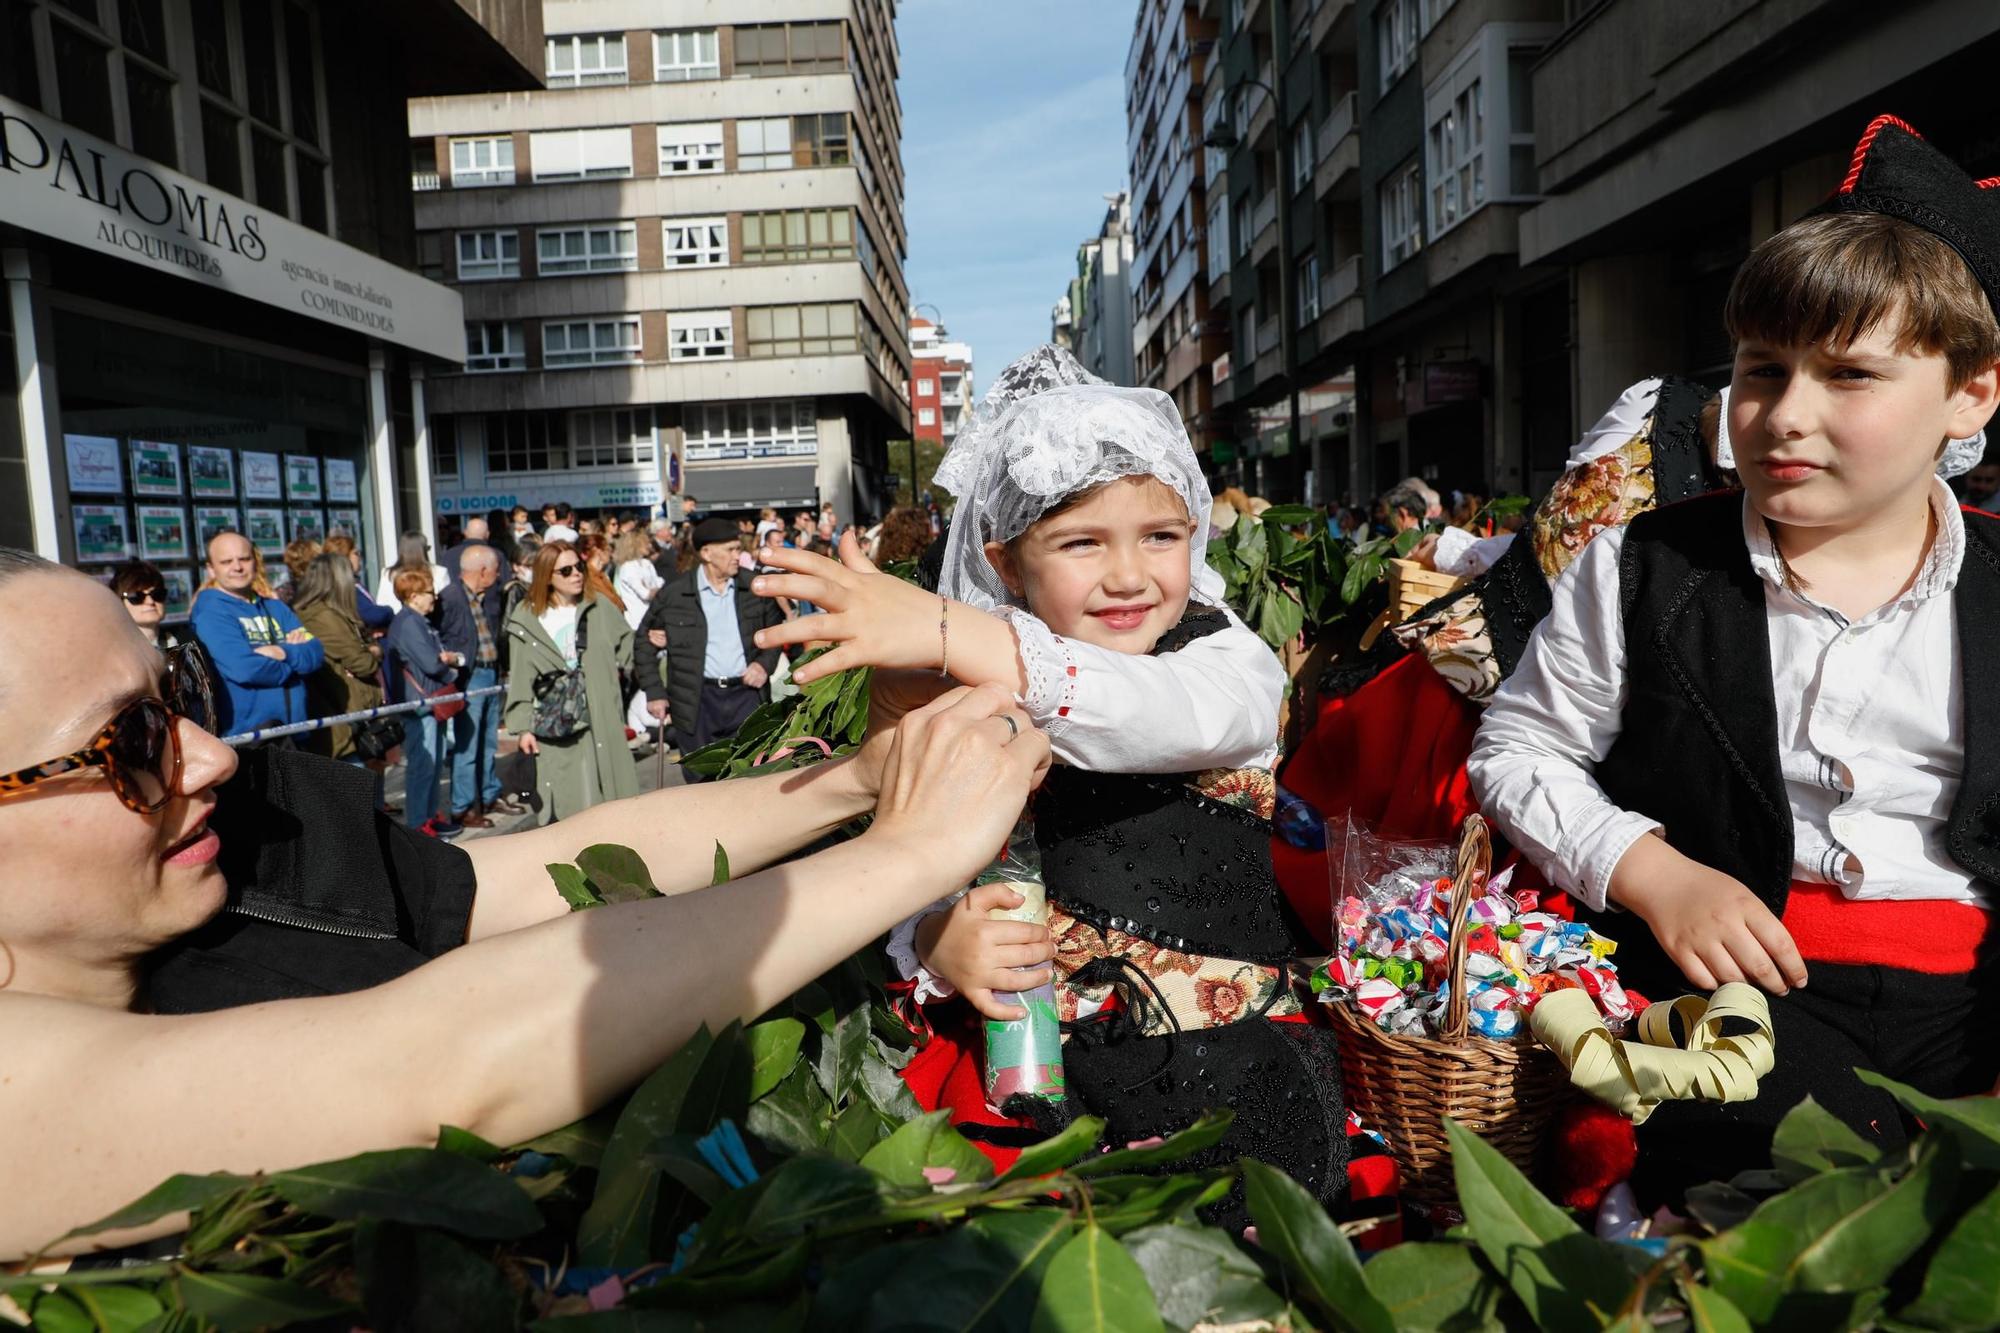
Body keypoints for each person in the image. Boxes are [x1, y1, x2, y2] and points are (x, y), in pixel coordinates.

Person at [0, 547, 1047, 1259]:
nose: (214, 755)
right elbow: (441, 1060)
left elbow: (537, 870)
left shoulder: (247, 837)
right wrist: (907, 856)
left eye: (176, 693)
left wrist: (863, 781)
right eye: (130, 743)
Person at [1468, 117, 2000, 1196]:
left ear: (1969, 395)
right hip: (1735, 1003)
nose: (1782, 416)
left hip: (1975, 996)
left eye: (1848, 375)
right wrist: (1651, 872)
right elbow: (1518, 747)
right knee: (1780, 1192)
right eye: (1761, 370)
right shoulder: (1642, 568)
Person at [752, 347, 1338, 1223]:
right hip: (1036, 1064)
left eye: (1161, 536)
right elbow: (912, 849)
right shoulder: (972, 682)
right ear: (1007, 563)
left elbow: (1158, 715)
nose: (1130, 574)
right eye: (1081, 543)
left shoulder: (1225, 657)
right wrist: (937, 936)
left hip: (1232, 1060)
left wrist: (953, 633)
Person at [634, 517, 784, 772]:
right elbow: (643, 642)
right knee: (701, 782)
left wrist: (763, 664)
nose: (738, 555)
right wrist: (655, 693)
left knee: (751, 777)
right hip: (697, 700)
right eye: (731, 550)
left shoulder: (754, 587)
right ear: (706, 553)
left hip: (746, 696)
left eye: (739, 548)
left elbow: (776, 633)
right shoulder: (676, 594)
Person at [502, 540, 637, 823]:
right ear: (547, 577)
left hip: (601, 715)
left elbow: (630, 649)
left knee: (613, 798)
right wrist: (523, 728)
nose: (576, 574)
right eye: (565, 571)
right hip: (556, 724)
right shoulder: (527, 619)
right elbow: (520, 676)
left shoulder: (598, 606)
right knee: (569, 802)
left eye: (579, 567)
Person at [191, 532, 325, 737]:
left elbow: (315, 653)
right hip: (250, 739)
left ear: (255, 561)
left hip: (297, 733)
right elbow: (244, 668)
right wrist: (294, 668)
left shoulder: (276, 607)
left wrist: (282, 652)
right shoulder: (210, 613)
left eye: (244, 559)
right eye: (226, 561)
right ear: (211, 569)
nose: (237, 567)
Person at [438, 544, 516, 829]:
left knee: (488, 741)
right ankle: (463, 807)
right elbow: (442, 636)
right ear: (482, 571)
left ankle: (488, 794)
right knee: (468, 745)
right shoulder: (451, 598)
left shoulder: (482, 596)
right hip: (470, 677)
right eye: (495, 571)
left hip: (490, 674)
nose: (498, 577)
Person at [385, 569, 465, 837]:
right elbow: (431, 662)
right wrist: (451, 662)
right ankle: (420, 824)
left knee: (434, 761)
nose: (435, 598)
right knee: (423, 765)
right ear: (414, 595)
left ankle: (429, 817)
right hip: (420, 705)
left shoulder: (417, 620)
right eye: (431, 592)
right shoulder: (409, 623)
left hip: (430, 702)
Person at [291, 553, 384, 763]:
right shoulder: (323, 617)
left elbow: (367, 650)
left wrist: (371, 650)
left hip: (351, 715)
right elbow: (364, 664)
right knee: (358, 789)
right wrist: (373, 652)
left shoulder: (334, 613)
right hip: (341, 717)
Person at [109, 560, 191, 652]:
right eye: (137, 596)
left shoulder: (186, 642)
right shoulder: (110, 651)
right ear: (118, 602)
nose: (150, 601)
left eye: (157, 594)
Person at [321, 532, 393, 630]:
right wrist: (389, 611)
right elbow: (373, 615)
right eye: (356, 553)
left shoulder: (351, 583)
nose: (359, 557)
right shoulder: (345, 587)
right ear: (344, 557)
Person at [374, 530, 448, 613]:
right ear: (423, 551)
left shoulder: (388, 574)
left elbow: (382, 603)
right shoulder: (439, 572)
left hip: (397, 621)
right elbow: (447, 603)